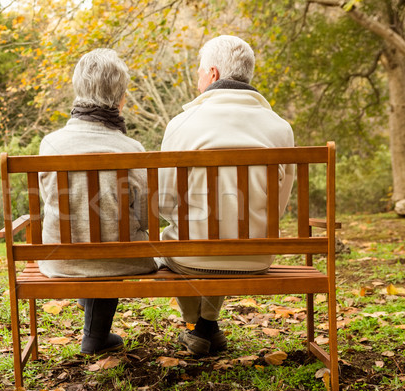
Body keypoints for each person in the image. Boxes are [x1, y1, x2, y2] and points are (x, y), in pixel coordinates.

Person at [158, 35, 295, 356]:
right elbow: (279, 207)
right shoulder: (280, 128)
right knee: (223, 228)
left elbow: (164, 203)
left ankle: (195, 326)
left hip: (191, 260)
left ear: (214, 75)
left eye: (199, 71)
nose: (197, 78)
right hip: (257, 257)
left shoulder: (181, 124)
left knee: (188, 236)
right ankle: (207, 326)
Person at [38, 49, 157, 354]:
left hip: (61, 258)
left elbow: (50, 204)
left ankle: (95, 331)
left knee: (93, 237)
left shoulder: (50, 144)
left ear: (78, 89)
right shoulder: (132, 148)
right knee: (110, 238)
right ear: (121, 98)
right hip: (123, 258)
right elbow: (145, 216)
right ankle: (95, 337)